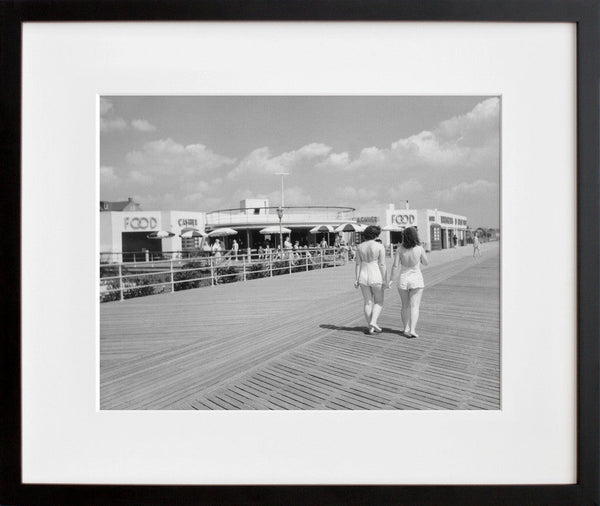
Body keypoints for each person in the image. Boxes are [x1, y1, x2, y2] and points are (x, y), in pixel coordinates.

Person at [388, 226, 428, 338]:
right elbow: (426, 262)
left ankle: (406, 328)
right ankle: (413, 330)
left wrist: (391, 279)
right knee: (415, 306)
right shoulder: (419, 248)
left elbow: (395, 266)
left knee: (405, 305)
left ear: (404, 237)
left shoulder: (400, 249)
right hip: (416, 279)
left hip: (403, 279)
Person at [354, 225, 387, 335]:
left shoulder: (359, 247)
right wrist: (385, 279)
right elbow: (382, 264)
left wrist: (356, 278)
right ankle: (373, 322)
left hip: (363, 275)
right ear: (376, 235)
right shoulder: (379, 246)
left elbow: (358, 264)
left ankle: (370, 327)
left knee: (367, 302)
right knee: (379, 301)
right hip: (375, 274)